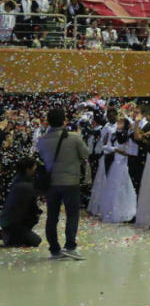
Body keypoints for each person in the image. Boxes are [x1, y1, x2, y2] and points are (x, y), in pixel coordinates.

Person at [37, 107, 90, 260]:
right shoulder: (74, 138)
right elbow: (85, 154)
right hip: (70, 182)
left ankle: (54, 249)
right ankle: (70, 246)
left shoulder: (42, 140)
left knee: (52, 216)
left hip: (51, 183)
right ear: (64, 120)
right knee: (72, 214)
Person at [1, 157, 42, 247]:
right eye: (34, 167)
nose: (36, 170)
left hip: (9, 222)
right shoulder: (26, 186)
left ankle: (9, 235)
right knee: (36, 241)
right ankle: (8, 236)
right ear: (28, 170)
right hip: (14, 224)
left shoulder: (17, 181)